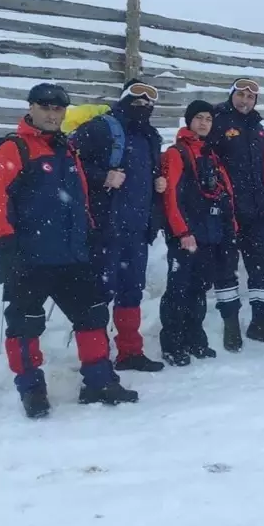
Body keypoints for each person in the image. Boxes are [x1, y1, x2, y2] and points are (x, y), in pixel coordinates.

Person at [0, 83, 138, 418]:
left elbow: (79, 198)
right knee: (25, 325)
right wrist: (4, 244)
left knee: (93, 316)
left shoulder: (67, 149)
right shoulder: (14, 149)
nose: (53, 114)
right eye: (46, 107)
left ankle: (98, 381)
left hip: (73, 256)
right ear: (31, 108)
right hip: (29, 258)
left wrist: (90, 232)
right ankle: (32, 390)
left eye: (58, 108)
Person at [70, 80, 166, 372]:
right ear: (124, 98)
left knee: (131, 291)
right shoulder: (102, 128)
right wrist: (103, 177)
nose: (144, 102)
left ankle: (130, 352)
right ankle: (98, 360)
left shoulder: (150, 136)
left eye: (151, 97)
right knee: (100, 294)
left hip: (136, 228)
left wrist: (157, 186)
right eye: (137, 96)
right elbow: (70, 162)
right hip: (105, 228)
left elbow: (145, 176)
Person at [158, 100, 237, 365]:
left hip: (209, 234)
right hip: (186, 236)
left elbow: (223, 194)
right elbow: (172, 196)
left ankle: (195, 338)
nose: (204, 123)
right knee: (178, 290)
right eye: (199, 118)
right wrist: (182, 232)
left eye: (208, 119)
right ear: (189, 120)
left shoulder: (209, 154)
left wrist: (228, 228)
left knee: (199, 290)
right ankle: (172, 342)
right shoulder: (176, 153)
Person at [206, 77, 264, 347]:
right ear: (232, 95)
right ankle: (231, 323)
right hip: (229, 211)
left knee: (263, 267)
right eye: (241, 95)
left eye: (250, 97)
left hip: (257, 211)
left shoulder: (258, 128)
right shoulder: (218, 121)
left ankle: (261, 322)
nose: (245, 100)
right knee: (227, 268)